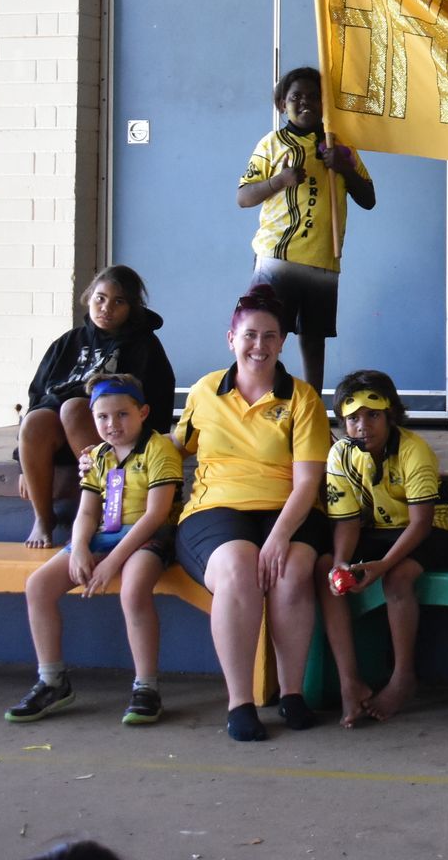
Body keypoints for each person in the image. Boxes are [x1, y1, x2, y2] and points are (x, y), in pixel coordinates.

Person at [174, 285, 331, 742]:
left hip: (289, 509)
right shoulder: (205, 390)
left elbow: (307, 483)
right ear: (231, 338)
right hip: (215, 509)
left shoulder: (302, 399)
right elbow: (172, 445)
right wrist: (106, 453)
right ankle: (239, 702)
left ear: (283, 342)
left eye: (269, 336)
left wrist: (280, 536)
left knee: (291, 569)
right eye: (249, 335)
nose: (258, 346)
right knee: (239, 569)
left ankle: (292, 693)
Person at [7, 375, 180, 726]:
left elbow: (156, 515)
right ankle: (53, 680)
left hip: (149, 535)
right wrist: (80, 548)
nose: (112, 425)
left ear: (143, 412)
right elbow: (88, 511)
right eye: (102, 417)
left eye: (122, 415)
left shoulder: (158, 449)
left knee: (133, 591)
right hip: (106, 536)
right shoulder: (97, 456)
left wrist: (113, 561)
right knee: (38, 586)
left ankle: (146, 687)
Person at [315, 370, 448, 727]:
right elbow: (347, 522)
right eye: (352, 418)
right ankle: (351, 682)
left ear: (391, 414)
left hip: (436, 527)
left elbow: (421, 523)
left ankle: (403, 677)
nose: (362, 425)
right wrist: (341, 563)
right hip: (379, 528)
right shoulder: (340, 455)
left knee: (397, 578)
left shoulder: (414, 450)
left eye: (373, 415)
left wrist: (381, 565)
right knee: (326, 571)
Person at [235, 67, 376, 392]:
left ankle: (312, 407)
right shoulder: (271, 144)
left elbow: (368, 198)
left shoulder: (339, 147)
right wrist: (279, 181)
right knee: (266, 335)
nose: (305, 102)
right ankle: (262, 400)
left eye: (314, 97)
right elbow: (243, 197)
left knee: (314, 340)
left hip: (322, 261)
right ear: (282, 103)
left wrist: (344, 169)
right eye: (296, 96)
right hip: (276, 260)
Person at [16, 265, 175, 549]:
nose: (106, 308)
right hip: (59, 440)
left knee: (74, 408)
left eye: (118, 301)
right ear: (88, 298)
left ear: (132, 307)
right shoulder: (67, 343)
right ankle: (43, 518)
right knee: (36, 420)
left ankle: (105, 504)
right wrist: (24, 464)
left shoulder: (144, 346)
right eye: (100, 298)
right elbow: (37, 395)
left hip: (113, 442)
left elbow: (157, 402)